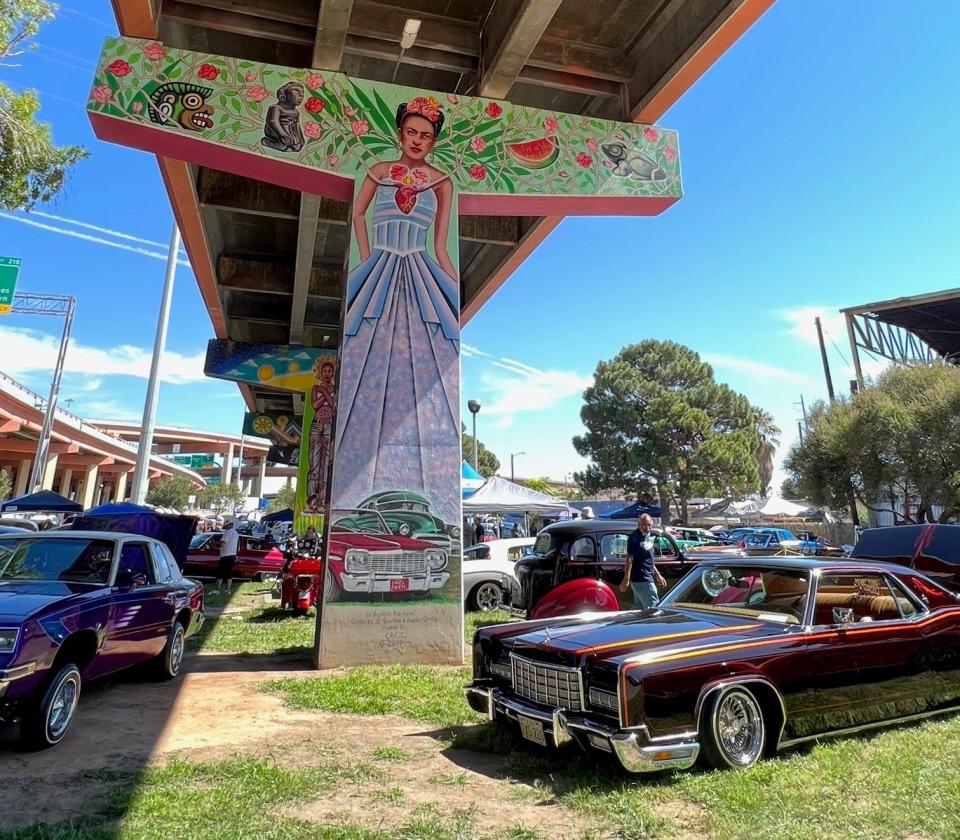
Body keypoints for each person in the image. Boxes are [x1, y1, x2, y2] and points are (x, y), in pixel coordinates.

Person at [336, 96, 459, 522]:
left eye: (426, 135)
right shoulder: (376, 171)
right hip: (380, 267)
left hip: (420, 269)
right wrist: (367, 258)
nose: (418, 140)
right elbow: (357, 214)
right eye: (412, 132)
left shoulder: (441, 182)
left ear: (434, 139)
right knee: (366, 348)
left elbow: (440, 244)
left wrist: (453, 284)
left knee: (424, 357)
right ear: (400, 133)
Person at [619, 513, 666, 609]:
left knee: (640, 609)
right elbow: (630, 558)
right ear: (639, 524)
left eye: (649, 525)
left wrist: (657, 574)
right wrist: (626, 578)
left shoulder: (648, 537)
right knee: (654, 609)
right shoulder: (634, 538)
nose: (647, 528)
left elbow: (648, 558)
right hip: (641, 579)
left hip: (647, 576)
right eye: (644, 524)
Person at [215, 521, 240, 594]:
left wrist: (216, 544)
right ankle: (228, 589)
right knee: (229, 572)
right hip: (233, 554)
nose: (225, 527)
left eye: (226, 525)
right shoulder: (236, 533)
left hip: (225, 554)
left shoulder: (227, 532)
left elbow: (223, 542)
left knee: (221, 572)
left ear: (229, 525)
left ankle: (217, 590)